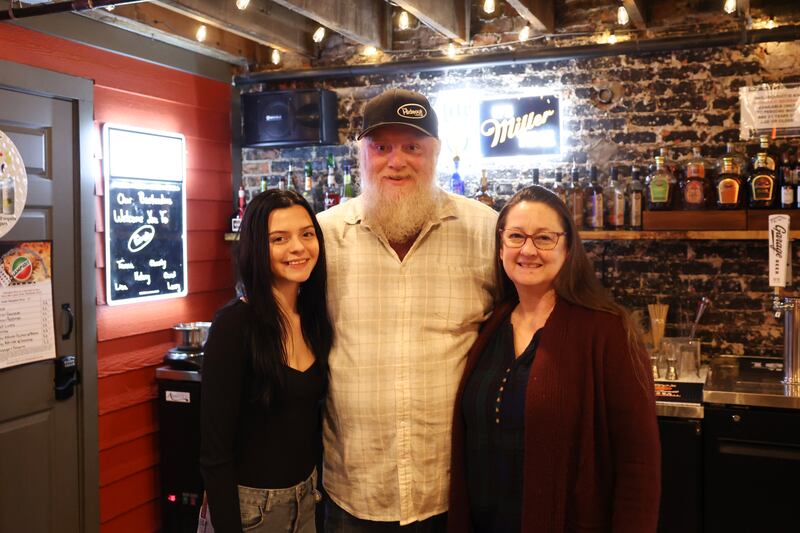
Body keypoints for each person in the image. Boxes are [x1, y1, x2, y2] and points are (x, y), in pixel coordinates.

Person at [317, 88, 498, 531]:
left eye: (412, 147)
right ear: (362, 155)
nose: (396, 161)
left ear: (434, 154)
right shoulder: (324, 235)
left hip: (450, 489)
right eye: (382, 147)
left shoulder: (485, 231)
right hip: (354, 489)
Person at [448, 185, 661, 533]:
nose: (528, 250)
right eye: (516, 236)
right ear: (501, 244)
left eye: (544, 238)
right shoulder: (490, 325)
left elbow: (638, 466)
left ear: (567, 246)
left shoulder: (607, 331)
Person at [199, 189, 333, 533]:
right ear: (257, 248)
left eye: (306, 234)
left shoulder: (314, 317)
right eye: (279, 238)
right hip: (251, 510)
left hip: (307, 499)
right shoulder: (234, 325)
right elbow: (215, 451)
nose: (298, 248)